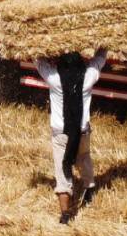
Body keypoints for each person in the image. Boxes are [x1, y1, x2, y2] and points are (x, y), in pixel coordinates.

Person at [35, 48, 107, 224]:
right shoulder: (89, 76)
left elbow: (37, 58)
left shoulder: (54, 78)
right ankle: (89, 188)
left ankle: (65, 213)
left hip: (61, 132)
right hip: (82, 131)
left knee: (62, 168)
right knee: (83, 158)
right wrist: (103, 43)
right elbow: (100, 58)